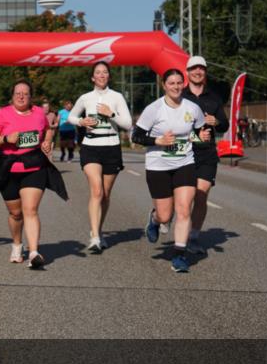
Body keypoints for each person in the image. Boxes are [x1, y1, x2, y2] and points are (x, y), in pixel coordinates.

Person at [131, 68, 211, 273]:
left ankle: (179, 255)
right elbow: (136, 136)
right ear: (164, 85)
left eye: (178, 83)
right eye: (171, 83)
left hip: (185, 163)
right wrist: (158, 140)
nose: (176, 87)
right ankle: (155, 220)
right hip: (158, 166)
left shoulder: (192, 108)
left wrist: (201, 138)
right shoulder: (154, 109)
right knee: (166, 215)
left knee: (184, 209)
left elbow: (197, 134)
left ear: (183, 84)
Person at [0, 80, 64, 269]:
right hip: (9, 168)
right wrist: (6, 138)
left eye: (25, 93)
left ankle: (34, 252)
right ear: (12, 96)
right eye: (17, 93)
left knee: (30, 209)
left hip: (34, 167)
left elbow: (47, 131)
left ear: (31, 96)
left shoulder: (38, 113)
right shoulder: (3, 114)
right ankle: (17, 244)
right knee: (16, 213)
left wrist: (46, 141)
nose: (21, 96)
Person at [66, 61, 133, 253]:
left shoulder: (117, 97)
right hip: (90, 147)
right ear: (92, 77)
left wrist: (110, 113)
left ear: (108, 76)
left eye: (105, 72)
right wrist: (81, 121)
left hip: (111, 147)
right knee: (96, 190)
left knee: (105, 194)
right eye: (98, 72)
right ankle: (94, 237)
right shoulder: (86, 98)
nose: (102, 75)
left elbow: (128, 124)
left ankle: (98, 230)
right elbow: (71, 116)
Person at [181, 56, 229, 254]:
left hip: (207, 154)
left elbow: (225, 124)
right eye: (194, 69)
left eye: (201, 69)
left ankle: (193, 237)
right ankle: (167, 220)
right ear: (188, 72)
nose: (198, 72)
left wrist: (216, 122)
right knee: (185, 199)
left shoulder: (214, 98)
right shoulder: (180, 97)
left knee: (201, 196)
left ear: (205, 72)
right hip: (183, 153)